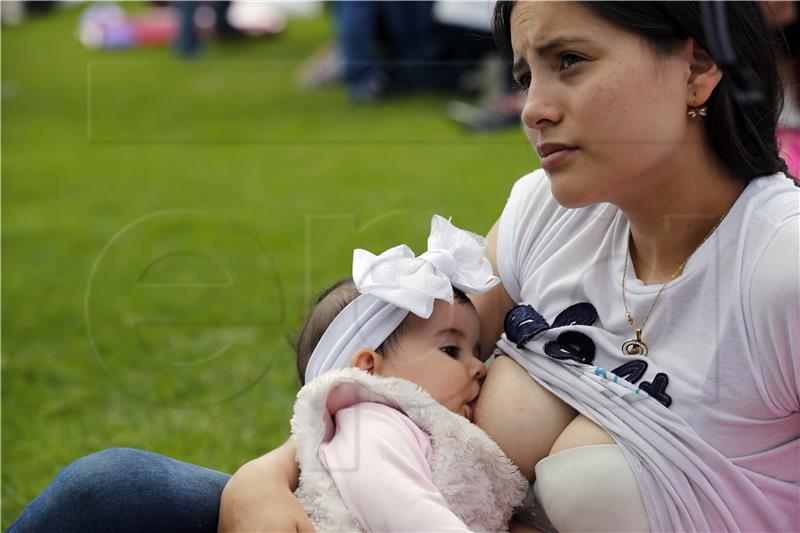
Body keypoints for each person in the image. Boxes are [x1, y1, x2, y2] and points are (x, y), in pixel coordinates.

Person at [9, 2, 799, 532]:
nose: (533, 106)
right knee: (112, 488)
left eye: (570, 61)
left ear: (698, 66)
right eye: (525, 73)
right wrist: (265, 474)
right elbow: (397, 348)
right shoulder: (547, 212)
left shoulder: (777, 266)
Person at [289, 215, 528, 531]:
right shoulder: (370, 425)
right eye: (451, 350)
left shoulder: (420, 429)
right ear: (370, 369)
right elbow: (404, 509)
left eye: (477, 351)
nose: (480, 367)